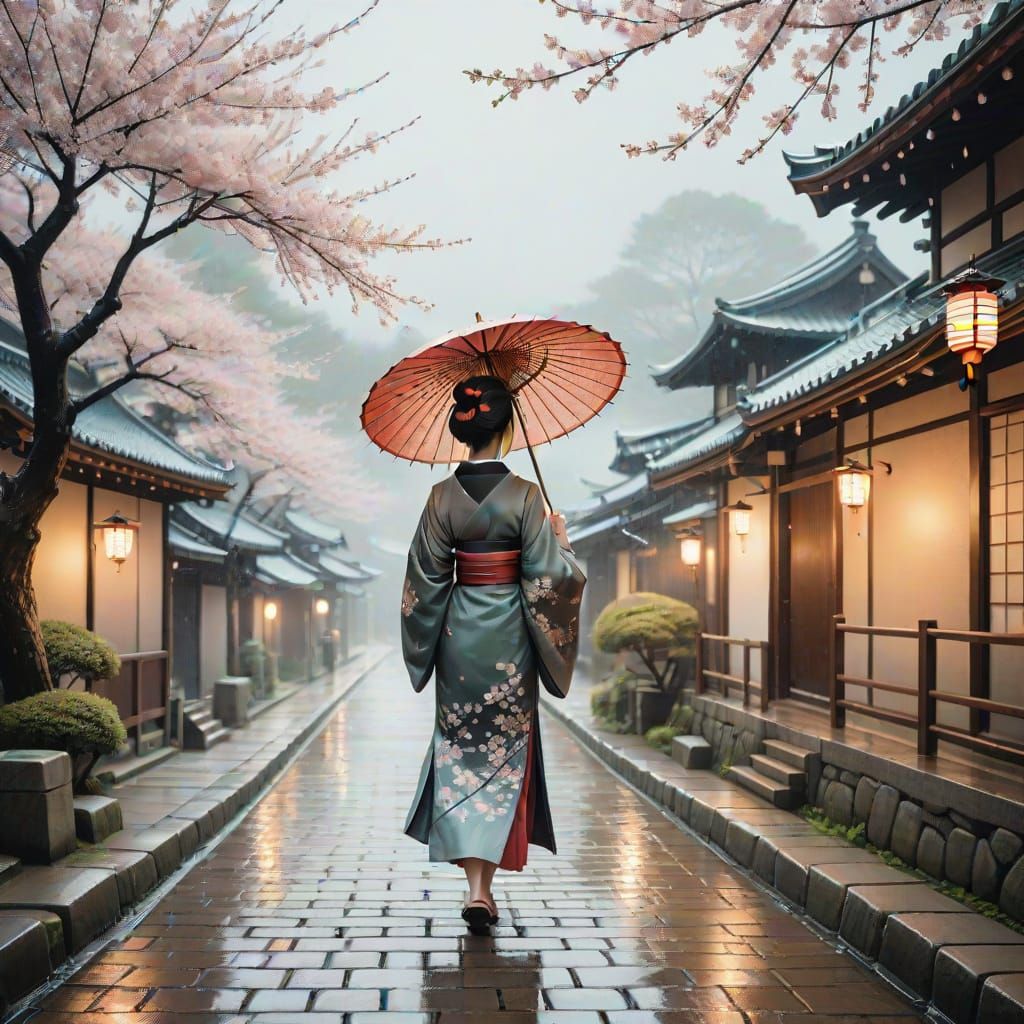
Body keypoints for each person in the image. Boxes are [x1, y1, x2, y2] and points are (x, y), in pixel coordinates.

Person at [401, 374, 585, 934]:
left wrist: (426, 644)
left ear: (463, 430)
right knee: (503, 753)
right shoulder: (527, 495)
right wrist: (564, 546)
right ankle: (485, 890)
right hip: (510, 635)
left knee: (460, 751)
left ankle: (475, 888)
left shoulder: (439, 498)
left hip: (459, 635)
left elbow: (423, 583)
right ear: (507, 425)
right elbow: (549, 580)